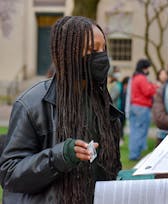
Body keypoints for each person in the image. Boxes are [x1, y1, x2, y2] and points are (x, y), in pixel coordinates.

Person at [0, 16, 122, 204]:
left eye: (103, 49)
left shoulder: (102, 103)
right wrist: (58, 157)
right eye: (92, 50)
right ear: (68, 54)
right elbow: (10, 173)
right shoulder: (31, 104)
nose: (101, 56)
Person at [128, 59, 157, 160]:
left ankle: (134, 153)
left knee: (134, 130)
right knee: (140, 131)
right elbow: (147, 91)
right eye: (147, 68)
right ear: (144, 68)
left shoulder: (135, 77)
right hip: (142, 107)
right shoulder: (142, 78)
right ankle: (135, 155)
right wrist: (154, 86)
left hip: (134, 106)